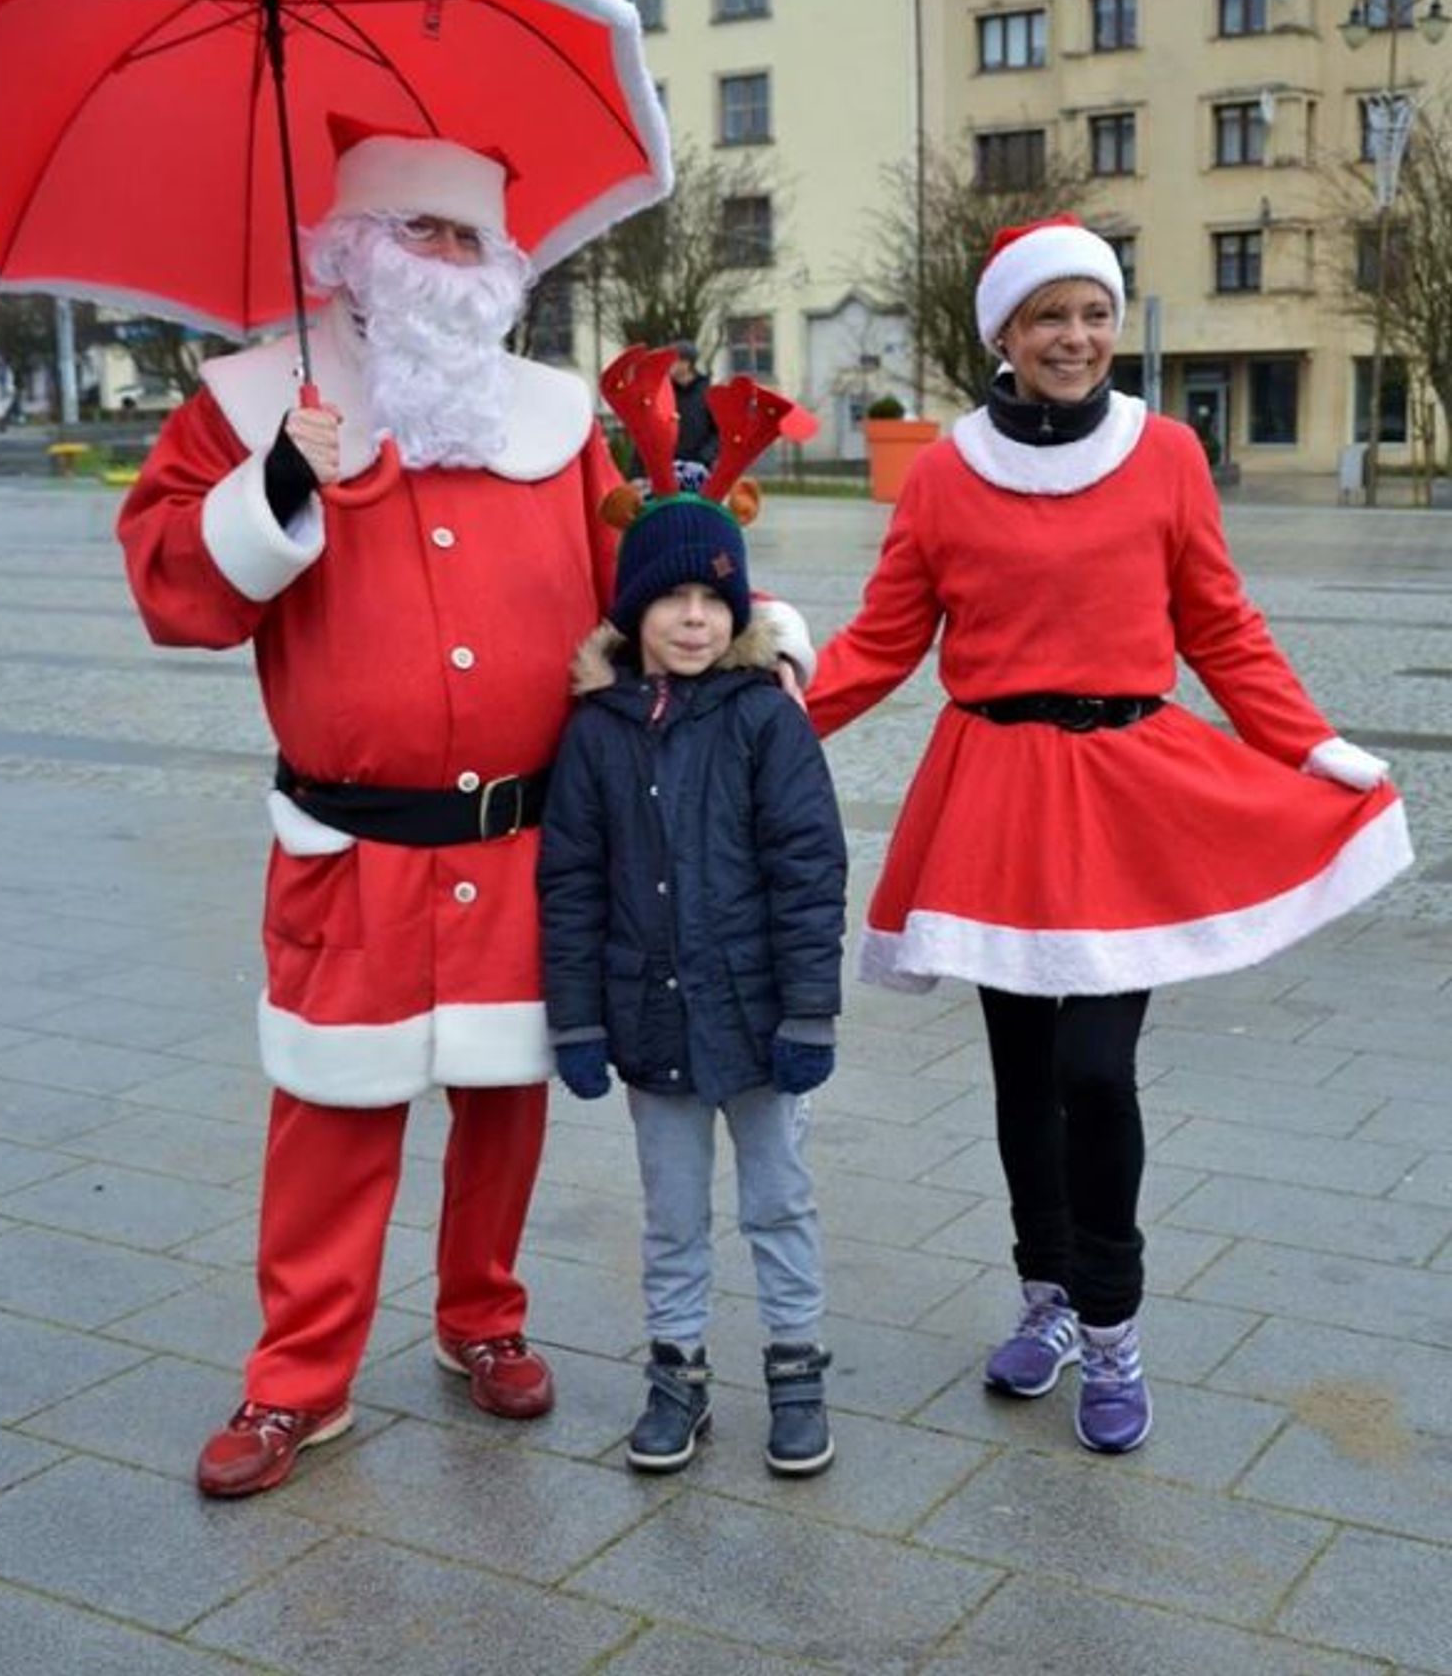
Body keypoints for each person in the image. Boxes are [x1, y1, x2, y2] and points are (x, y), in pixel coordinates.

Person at [119, 121, 816, 1501]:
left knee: (506, 1101)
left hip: (525, 844)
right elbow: (169, 589)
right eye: (419, 230)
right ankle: (296, 1378)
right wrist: (277, 482)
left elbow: (644, 576)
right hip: (351, 849)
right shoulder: (251, 405)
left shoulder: (553, 420)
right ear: (351, 249)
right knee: (332, 1117)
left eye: (472, 237)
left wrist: (755, 641)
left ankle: (481, 1317)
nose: (450, 260)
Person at [804, 213, 1411, 1455]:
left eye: (1094, 314)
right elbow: (883, 639)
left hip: (1127, 793)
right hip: (995, 796)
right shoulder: (946, 472)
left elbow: (1220, 625)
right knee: (1022, 1076)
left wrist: (1309, 745)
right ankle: (1047, 1295)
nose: (1076, 337)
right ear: (1006, 333)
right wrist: (750, 713)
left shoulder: (1166, 453)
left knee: (1095, 1068)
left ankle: (1113, 1320)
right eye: (1050, 317)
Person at [538, 373, 846, 1479]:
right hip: (651, 1018)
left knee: (778, 1201)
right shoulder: (596, 732)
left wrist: (810, 1010)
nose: (694, 618)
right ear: (634, 610)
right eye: (671, 599)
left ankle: (797, 1369)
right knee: (671, 1213)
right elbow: (571, 882)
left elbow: (809, 871)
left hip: (761, 1018)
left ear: (741, 611)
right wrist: (577, 1022)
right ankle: (677, 1371)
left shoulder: (768, 719)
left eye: (714, 599)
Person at [668, 340, 719, 469]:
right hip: (669, 467)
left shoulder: (709, 393)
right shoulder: (666, 393)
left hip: (699, 468)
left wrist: (703, 457)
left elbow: (719, 432)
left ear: (686, 363)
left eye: (672, 360)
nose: (667, 365)